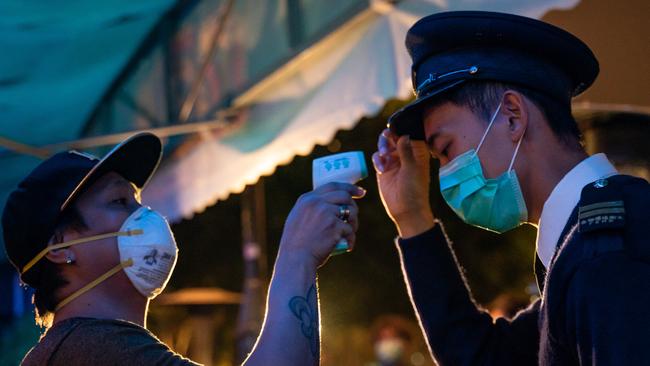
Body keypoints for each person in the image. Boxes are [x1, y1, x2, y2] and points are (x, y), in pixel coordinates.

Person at [372, 11, 650, 365]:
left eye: (446, 150)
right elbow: (483, 356)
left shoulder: (609, 255)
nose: (446, 175)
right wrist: (412, 218)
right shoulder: (582, 250)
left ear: (512, 116)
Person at [2, 132, 365, 365]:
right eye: (118, 202)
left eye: (138, 202)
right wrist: (297, 255)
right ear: (60, 247)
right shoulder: (90, 348)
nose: (145, 216)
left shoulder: (91, 345)